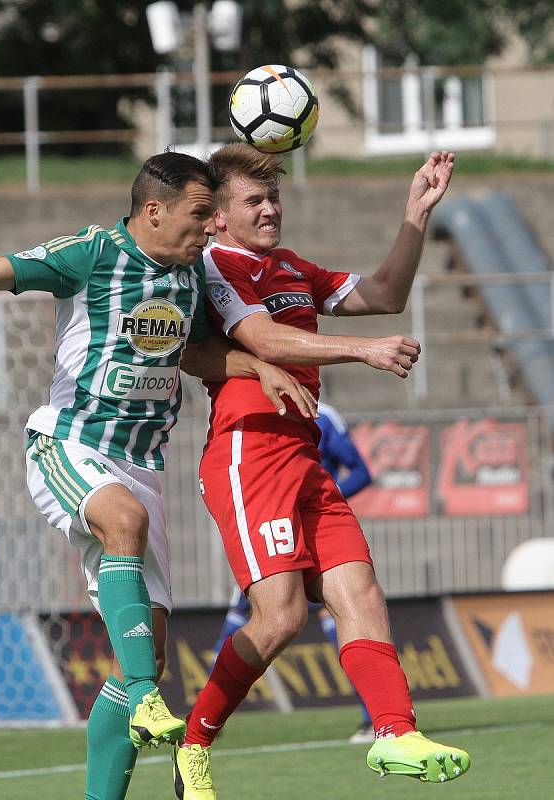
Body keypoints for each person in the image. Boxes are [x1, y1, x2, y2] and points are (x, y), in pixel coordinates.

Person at [0, 150, 400, 800]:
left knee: (150, 644)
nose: (210, 228)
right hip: (69, 442)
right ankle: (147, 697)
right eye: (201, 215)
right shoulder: (92, 253)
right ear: (154, 210)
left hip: (141, 465)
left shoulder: (193, 276)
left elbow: (198, 351)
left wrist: (260, 368)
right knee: (125, 525)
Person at [173, 144, 470, 800]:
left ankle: (395, 732)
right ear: (218, 217)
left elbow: (386, 293)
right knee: (279, 618)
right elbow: (265, 341)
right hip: (249, 456)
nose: (271, 208)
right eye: (254, 200)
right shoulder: (219, 264)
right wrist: (362, 350)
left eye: (274, 197)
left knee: (360, 592)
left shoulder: (290, 267)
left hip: (302, 458)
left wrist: (415, 214)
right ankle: (194, 744)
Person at [210, 402, 374, 742]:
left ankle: (373, 720)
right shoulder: (248, 410)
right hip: (269, 528)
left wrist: (320, 504)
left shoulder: (322, 415)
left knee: (342, 620)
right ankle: (208, 720)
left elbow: (360, 471)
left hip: (312, 534)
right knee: (235, 624)